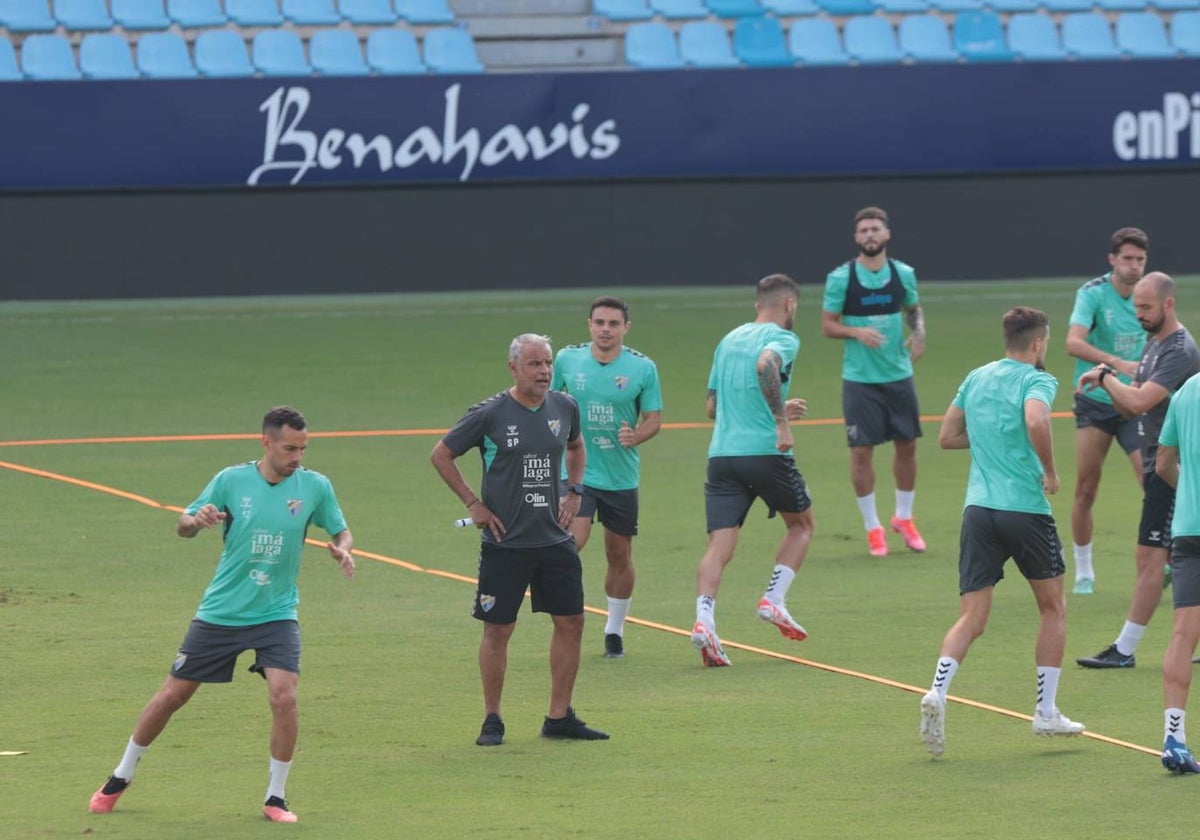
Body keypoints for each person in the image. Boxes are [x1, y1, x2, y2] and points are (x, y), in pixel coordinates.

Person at [89, 406, 355, 823]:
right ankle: (121, 775)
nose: (297, 457)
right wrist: (197, 521)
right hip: (223, 612)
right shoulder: (231, 480)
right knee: (172, 696)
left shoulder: (315, 487)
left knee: (284, 697)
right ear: (266, 442)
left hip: (277, 612)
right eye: (289, 448)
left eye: (303, 449)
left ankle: (276, 798)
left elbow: (340, 528)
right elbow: (183, 524)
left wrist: (344, 547)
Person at [919, 307, 1084, 759]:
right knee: (1053, 608)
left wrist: (991, 435)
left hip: (978, 510)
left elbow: (948, 437)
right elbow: (1035, 421)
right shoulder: (1038, 380)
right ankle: (1046, 710)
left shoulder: (977, 377)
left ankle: (937, 690)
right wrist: (1049, 470)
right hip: (1025, 510)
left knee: (972, 617)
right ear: (1037, 343)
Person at [430, 333, 609, 746]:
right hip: (505, 542)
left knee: (572, 622)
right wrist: (473, 503)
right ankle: (492, 719)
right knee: (498, 629)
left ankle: (559, 717)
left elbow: (577, 447)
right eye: (535, 364)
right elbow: (441, 454)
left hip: (554, 541)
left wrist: (575, 491)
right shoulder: (490, 414)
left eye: (547, 363)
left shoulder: (565, 407)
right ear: (514, 368)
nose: (545, 371)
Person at [1077, 272, 1200, 669]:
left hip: (1174, 468)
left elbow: (1138, 403)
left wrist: (1104, 375)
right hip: (1160, 465)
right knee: (1161, 556)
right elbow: (1132, 394)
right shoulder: (1154, 343)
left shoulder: (1179, 349)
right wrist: (1108, 380)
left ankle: (1125, 650)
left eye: (1145, 308)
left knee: (1150, 557)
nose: (1139, 315)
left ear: (1168, 304)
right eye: (1135, 308)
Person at [691, 274, 813, 668]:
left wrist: (771, 405)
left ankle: (704, 619)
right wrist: (779, 420)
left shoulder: (728, 340)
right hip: (764, 451)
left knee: (719, 544)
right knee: (802, 525)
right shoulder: (782, 338)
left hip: (722, 454)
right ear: (790, 304)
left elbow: (712, 406)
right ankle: (773, 600)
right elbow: (766, 365)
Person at [551, 296, 663, 659]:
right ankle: (568, 616)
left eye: (613, 324)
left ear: (625, 329)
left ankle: (614, 630)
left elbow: (653, 419)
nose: (605, 330)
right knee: (571, 543)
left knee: (620, 554)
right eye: (599, 322)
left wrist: (638, 435)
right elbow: (545, 401)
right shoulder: (568, 360)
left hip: (621, 477)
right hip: (578, 473)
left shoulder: (643, 368)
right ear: (589, 325)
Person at [821, 206, 927, 558]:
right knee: (861, 452)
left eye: (875, 229)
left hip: (899, 375)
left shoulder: (903, 274)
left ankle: (905, 518)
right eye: (864, 230)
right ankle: (873, 528)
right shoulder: (842, 278)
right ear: (856, 238)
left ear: (886, 235)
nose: (869, 235)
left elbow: (912, 308)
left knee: (908, 445)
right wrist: (855, 331)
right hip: (860, 380)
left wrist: (919, 333)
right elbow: (827, 325)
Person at [1065, 227, 1149, 595]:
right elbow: (1072, 342)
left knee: (1155, 483)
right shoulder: (1093, 294)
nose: (1134, 266)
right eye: (1127, 259)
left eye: (1140, 260)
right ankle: (1084, 570)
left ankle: (1162, 562)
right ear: (1112, 260)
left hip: (1136, 403)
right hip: (1096, 403)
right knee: (1086, 487)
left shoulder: (1151, 295)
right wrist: (1115, 363)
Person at [1155, 373, 1200, 773]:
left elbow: (1163, 462)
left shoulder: (1186, 391)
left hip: (1188, 530)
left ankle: (1175, 738)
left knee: (1184, 636)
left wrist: (1189, 488)